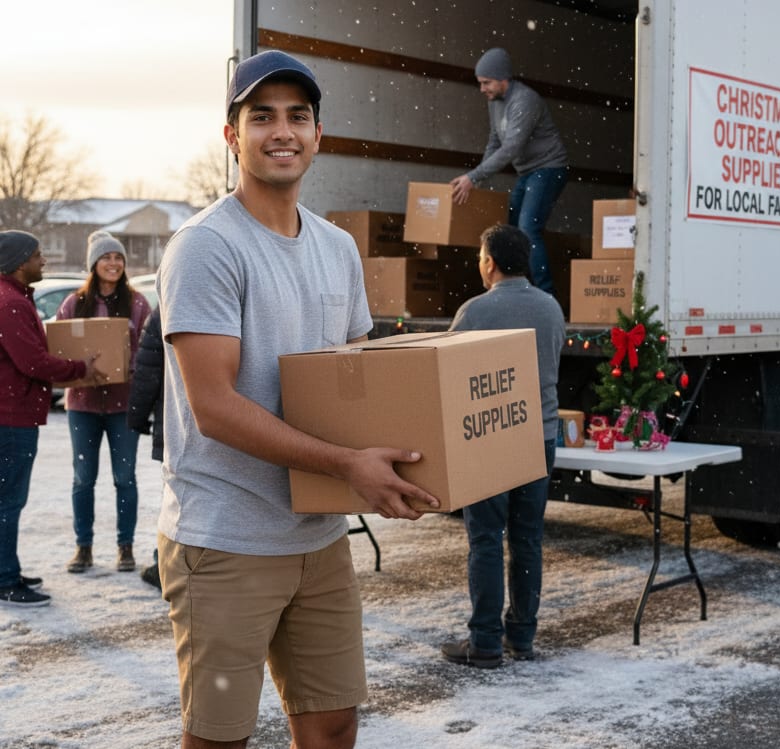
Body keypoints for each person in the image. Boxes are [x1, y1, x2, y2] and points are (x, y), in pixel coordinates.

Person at [156, 49, 439, 749]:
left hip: (317, 538)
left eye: (298, 116)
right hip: (225, 541)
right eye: (262, 117)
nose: (282, 131)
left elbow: (354, 383)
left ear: (317, 135)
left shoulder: (338, 248)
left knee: (332, 724)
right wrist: (349, 464)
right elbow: (214, 406)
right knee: (220, 737)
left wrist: (409, 460)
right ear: (232, 136)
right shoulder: (207, 246)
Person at [441, 224, 565, 668]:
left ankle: (486, 643)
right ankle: (523, 638)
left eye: (480, 256)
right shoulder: (551, 308)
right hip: (539, 438)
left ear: (489, 263)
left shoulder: (473, 313)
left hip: (489, 441)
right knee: (528, 539)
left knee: (487, 540)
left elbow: (449, 379)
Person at [0, 231, 105, 607]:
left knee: (8, 499)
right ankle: (5, 580)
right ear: (17, 262)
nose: (43, 261)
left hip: (13, 414)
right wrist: (80, 368)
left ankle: (6, 568)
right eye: (37, 255)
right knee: (8, 501)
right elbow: (31, 361)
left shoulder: (13, 299)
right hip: (11, 418)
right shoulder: (9, 303)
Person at [57, 231, 151, 574]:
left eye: (118, 258)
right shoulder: (73, 304)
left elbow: (148, 350)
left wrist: (126, 367)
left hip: (122, 405)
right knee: (83, 478)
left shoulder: (138, 303)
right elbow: (60, 349)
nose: (113, 263)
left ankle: (125, 547)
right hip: (82, 404)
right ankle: (84, 547)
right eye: (106, 257)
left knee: (125, 478)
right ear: (93, 264)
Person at [450, 47, 569, 296]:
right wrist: (479, 178)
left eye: (486, 83)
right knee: (512, 230)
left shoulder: (525, 100)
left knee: (528, 228)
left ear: (503, 79)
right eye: (480, 83)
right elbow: (494, 142)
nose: (482, 89)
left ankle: (548, 297)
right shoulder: (496, 103)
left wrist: (473, 177)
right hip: (527, 171)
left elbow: (512, 147)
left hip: (549, 167)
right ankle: (520, 292)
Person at [126, 305, 163, 589]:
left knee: (176, 500)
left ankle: (165, 563)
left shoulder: (165, 310)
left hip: (178, 424)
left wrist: (137, 416)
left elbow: (149, 369)